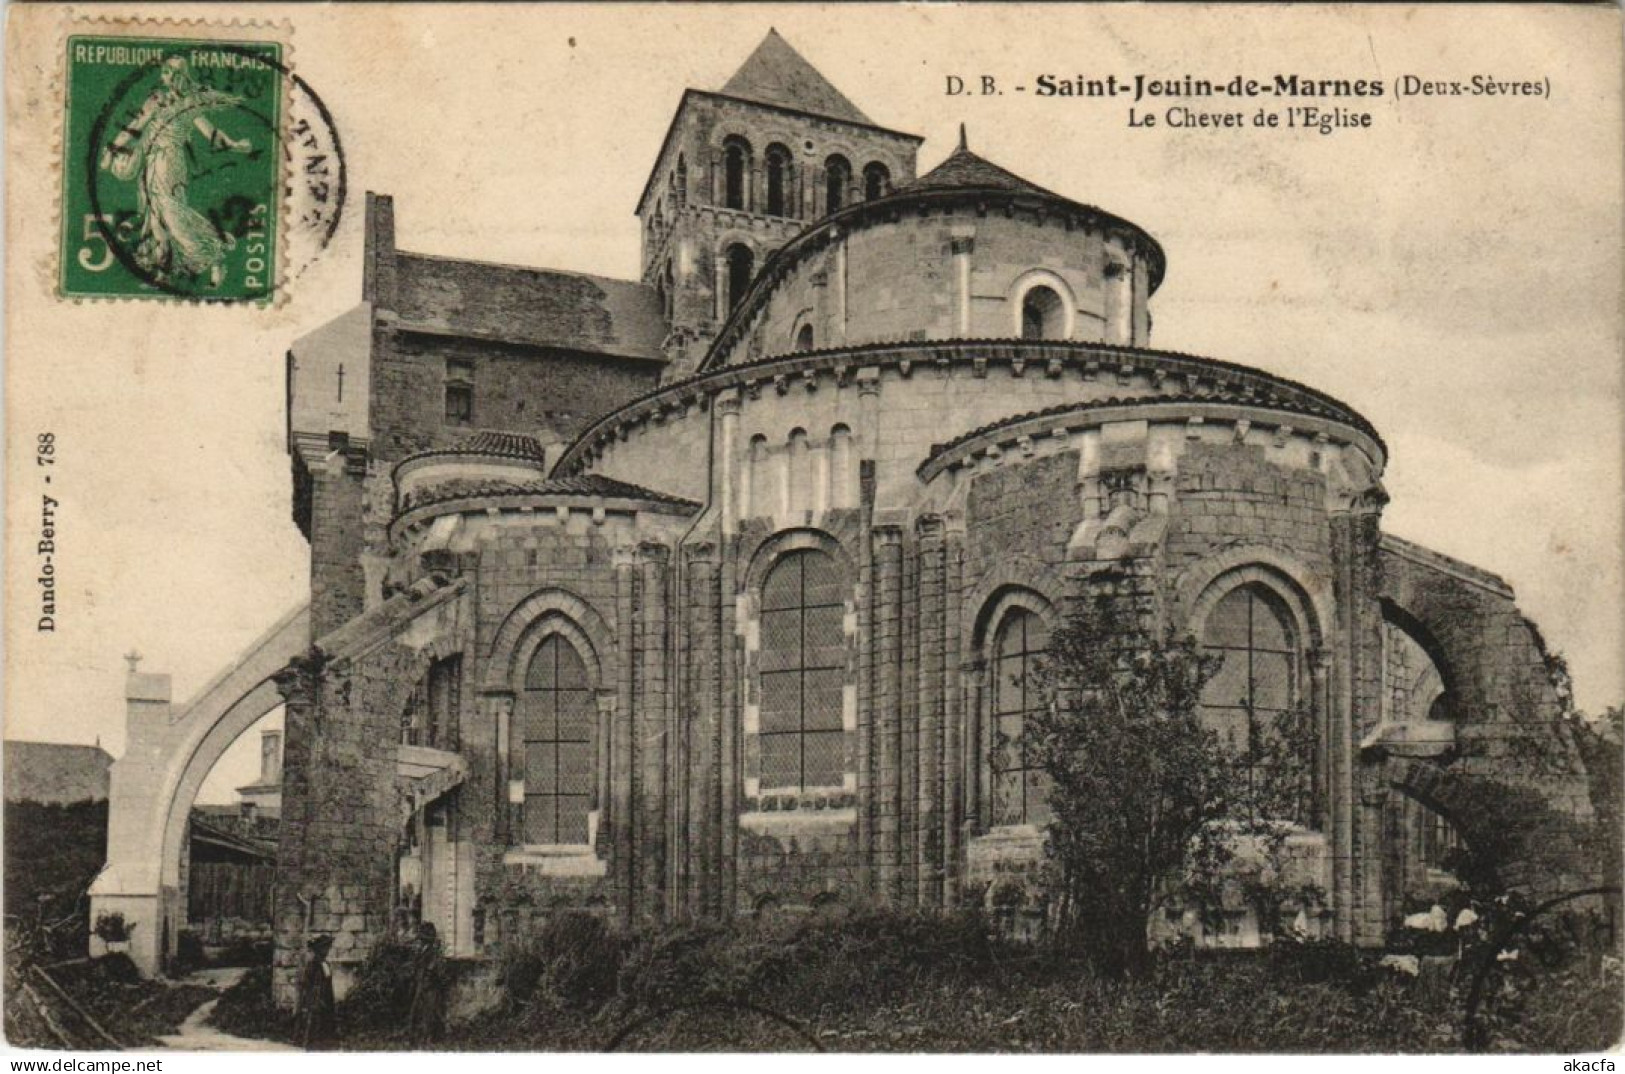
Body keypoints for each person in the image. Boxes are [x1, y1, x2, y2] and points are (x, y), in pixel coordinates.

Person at [98, 56, 252, 287]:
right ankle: (163, 272)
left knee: (172, 216)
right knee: (156, 217)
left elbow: (209, 132)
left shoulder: (184, 102)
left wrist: (233, 144)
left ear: (180, 75)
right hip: (153, 160)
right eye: (165, 70)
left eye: (171, 71)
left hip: (169, 163)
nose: (165, 74)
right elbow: (135, 127)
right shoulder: (160, 99)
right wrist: (112, 149)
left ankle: (214, 255)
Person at [405, 921, 447, 1044]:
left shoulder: (434, 952)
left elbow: (435, 968)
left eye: (422, 937)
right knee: (416, 1011)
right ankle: (414, 1037)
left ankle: (430, 1038)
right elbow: (416, 966)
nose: (420, 941)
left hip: (430, 985)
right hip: (421, 983)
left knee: (430, 1012)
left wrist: (429, 976)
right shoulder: (420, 950)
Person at [296, 933, 337, 1050]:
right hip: (315, 997)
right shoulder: (313, 964)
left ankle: (325, 1042)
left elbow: (328, 981)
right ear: (319, 949)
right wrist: (311, 996)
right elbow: (306, 982)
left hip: (326, 995)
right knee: (314, 1020)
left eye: (328, 948)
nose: (327, 950)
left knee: (326, 1019)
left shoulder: (325, 964)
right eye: (325, 948)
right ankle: (311, 1043)